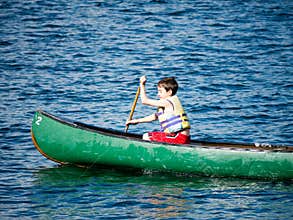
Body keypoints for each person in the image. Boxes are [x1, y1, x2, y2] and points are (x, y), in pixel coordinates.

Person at [126, 75, 191, 144]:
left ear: (169, 92)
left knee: (147, 136)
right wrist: (136, 121)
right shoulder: (167, 105)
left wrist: (142, 84)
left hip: (178, 138)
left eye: (160, 92)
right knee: (154, 135)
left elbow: (144, 101)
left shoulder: (167, 102)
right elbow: (155, 116)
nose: (158, 94)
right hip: (182, 138)